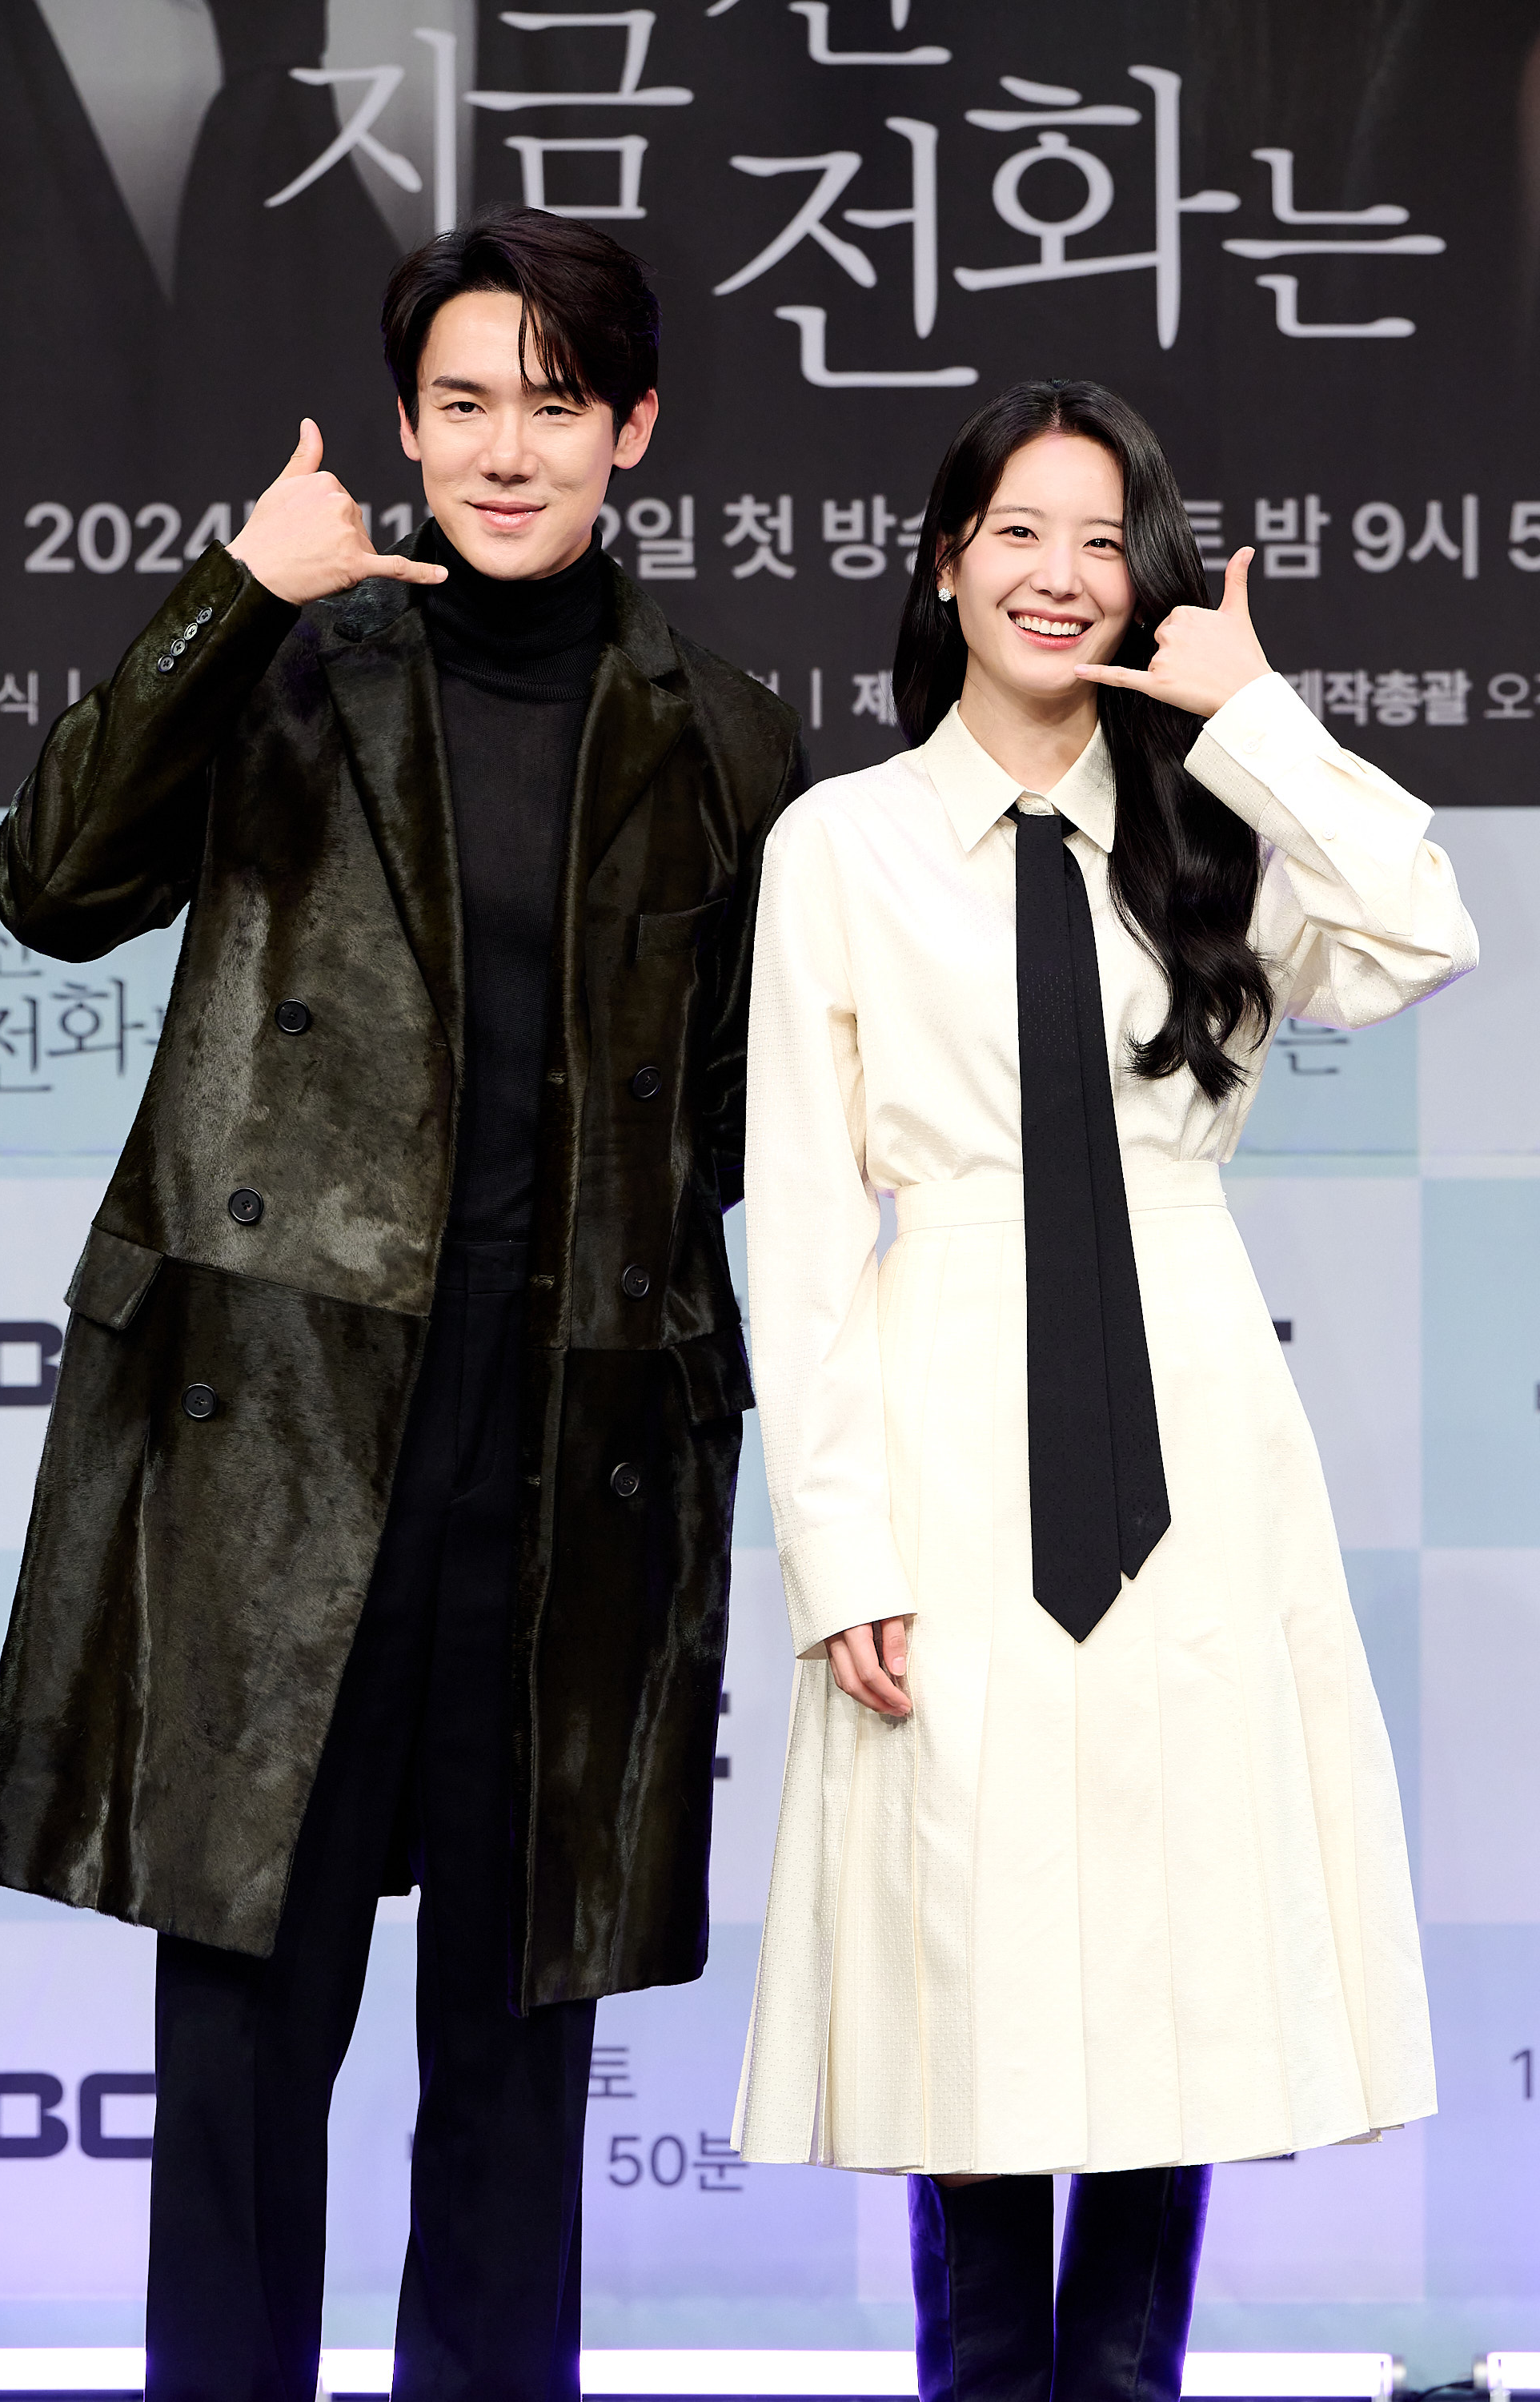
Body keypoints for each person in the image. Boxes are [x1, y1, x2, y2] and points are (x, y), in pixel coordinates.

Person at [0, 208, 803, 2401]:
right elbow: (49, 888)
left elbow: (755, 1128)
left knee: (516, 2085)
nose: (506, 450)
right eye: (462, 404)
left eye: (554, 405)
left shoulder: (726, 735)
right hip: (284, 1452)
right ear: (407, 427)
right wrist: (236, 592)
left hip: (567, 1478)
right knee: (241, 2063)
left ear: (633, 429)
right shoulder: (291, 667)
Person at [733, 380, 1476, 2402]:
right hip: (944, 1419)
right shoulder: (840, 845)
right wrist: (838, 1550)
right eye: (1018, 533)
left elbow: (1424, 929)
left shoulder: (1215, 825)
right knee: (957, 1956)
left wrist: (1251, 719)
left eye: (1101, 541)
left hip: (1193, 1424)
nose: (1059, 577)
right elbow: (800, 1225)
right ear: (945, 562)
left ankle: (1132, 2380)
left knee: (1179, 1938)